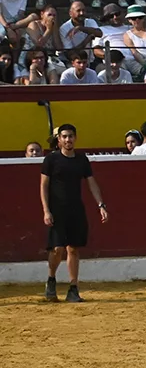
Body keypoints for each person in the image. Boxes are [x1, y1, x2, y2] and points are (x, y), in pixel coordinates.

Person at [40, 123, 107, 304]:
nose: (68, 139)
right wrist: (46, 210)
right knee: (57, 249)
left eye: (70, 136)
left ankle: (73, 287)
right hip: (57, 210)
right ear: (59, 140)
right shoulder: (51, 160)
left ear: (75, 138)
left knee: (73, 248)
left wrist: (100, 204)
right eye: (64, 136)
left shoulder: (81, 159)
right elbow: (43, 186)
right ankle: (51, 279)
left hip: (76, 209)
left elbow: (91, 183)